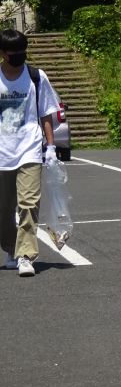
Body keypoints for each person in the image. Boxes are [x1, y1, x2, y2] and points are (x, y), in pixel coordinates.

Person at [0, 29, 60, 277]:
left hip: (29, 149)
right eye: (14, 52)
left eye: (22, 51)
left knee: (28, 204)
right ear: (3, 53)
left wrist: (51, 147)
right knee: (3, 209)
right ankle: (11, 248)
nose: (19, 56)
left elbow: (46, 112)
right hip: (2, 152)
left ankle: (26, 256)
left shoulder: (36, 76)